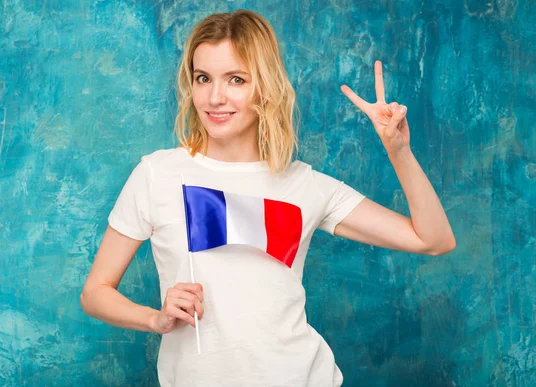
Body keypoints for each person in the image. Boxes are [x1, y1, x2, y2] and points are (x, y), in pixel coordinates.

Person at [80, 9, 456, 387]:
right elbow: (96, 292)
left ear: (265, 86)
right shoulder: (157, 175)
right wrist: (156, 319)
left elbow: (434, 240)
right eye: (203, 78)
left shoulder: (306, 186)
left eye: (236, 80)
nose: (215, 97)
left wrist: (399, 151)